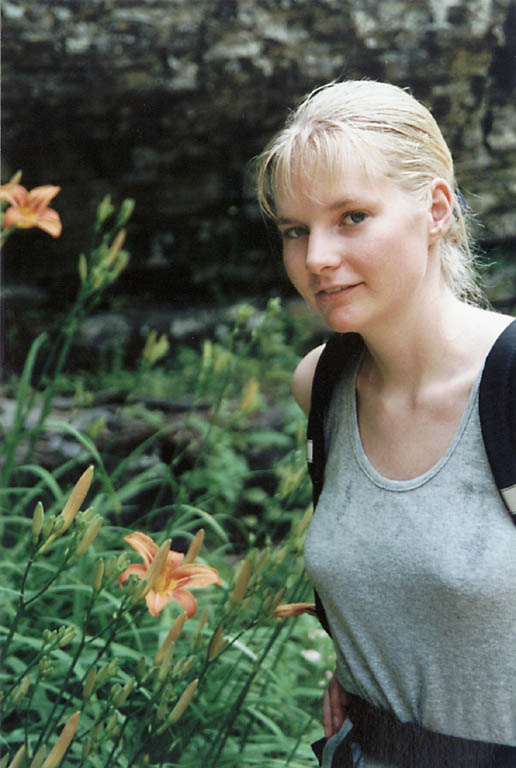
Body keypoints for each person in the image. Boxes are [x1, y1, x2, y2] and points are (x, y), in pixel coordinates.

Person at [256, 80, 516, 767]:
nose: (315, 258)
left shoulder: (510, 386)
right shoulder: (324, 385)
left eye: (351, 217)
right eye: (295, 230)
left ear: (435, 210)